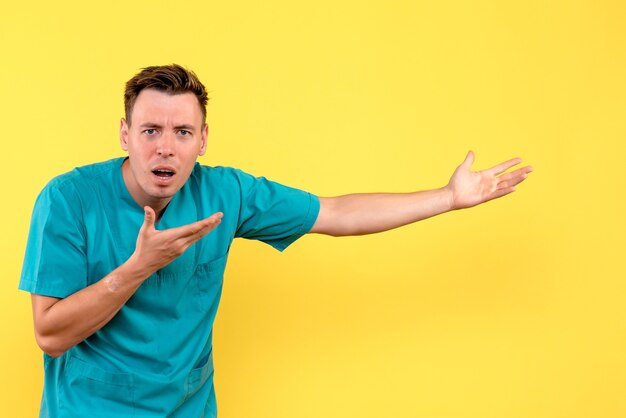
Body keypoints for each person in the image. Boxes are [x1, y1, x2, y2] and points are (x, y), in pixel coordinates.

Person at [19, 64, 533, 417]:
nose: (165, 148)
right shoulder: (68, 199)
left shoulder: (226, 191)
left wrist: (447, 197)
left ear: (203, 139)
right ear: (125, 134)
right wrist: (138, 267)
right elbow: (51, 334)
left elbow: (335, 212)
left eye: (182, 132)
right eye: (150, 130)